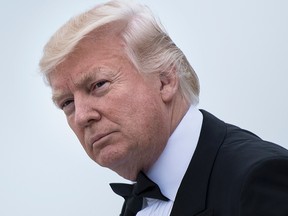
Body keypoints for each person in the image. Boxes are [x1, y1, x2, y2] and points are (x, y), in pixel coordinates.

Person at [39, 0, 288, 215]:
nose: (82, 116)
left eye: (99, 85)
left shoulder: (259, 178)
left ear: (165, 80)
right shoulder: (138, 201)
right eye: (67, 103)